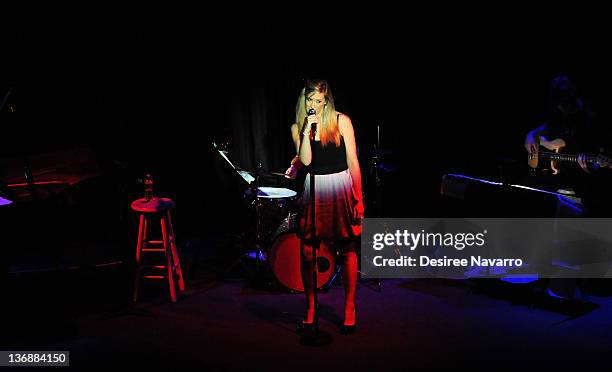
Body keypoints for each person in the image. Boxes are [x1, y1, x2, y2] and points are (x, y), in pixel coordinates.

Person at [285, 78, 364, 334]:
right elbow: (306, 159)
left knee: (347, 247)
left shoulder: (342, 121)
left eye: (320, 100)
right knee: (307, 250)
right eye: (310, 99)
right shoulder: (299, 127)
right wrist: (307, 131)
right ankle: (310, 305)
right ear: (304, 99)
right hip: (314, 186)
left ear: (327, 100)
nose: (315, 105)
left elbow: (353, 161)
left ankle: (349, 306)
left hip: (340, 185)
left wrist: (358, 199)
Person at [524, 74, 611, 216]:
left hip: (585, 179)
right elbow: (543, 129)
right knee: (529, 189)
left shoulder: (592, 115)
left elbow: (601, 150)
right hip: (564, 175)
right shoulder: (561, 115)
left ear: (573, 95)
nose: (562, 108)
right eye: (559, 104)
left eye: (564, 103)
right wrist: (532, 135)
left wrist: (594, 166)